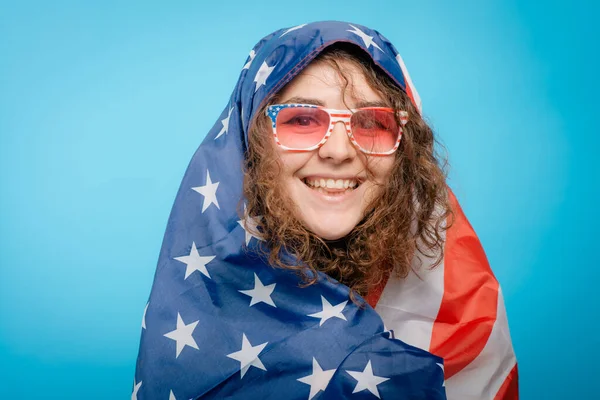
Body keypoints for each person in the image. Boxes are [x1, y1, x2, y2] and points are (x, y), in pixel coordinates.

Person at [133, 21, 518, 400]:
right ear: (251, 142)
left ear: (405, 149)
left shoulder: (456, 299)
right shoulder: (199, 306)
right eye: (302, 119)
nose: (338, 150)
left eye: (370, 121)